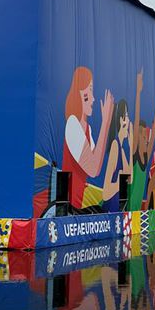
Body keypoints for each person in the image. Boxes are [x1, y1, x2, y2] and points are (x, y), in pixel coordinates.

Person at [59, 67, 114, 213]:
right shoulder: (72, 125)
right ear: (80, 93)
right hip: (69, 207)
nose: (94, 98)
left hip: (80, 205)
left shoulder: (87, 129)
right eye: (90, 89)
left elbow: (95, 169)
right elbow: (93, 167)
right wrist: (105, 123)